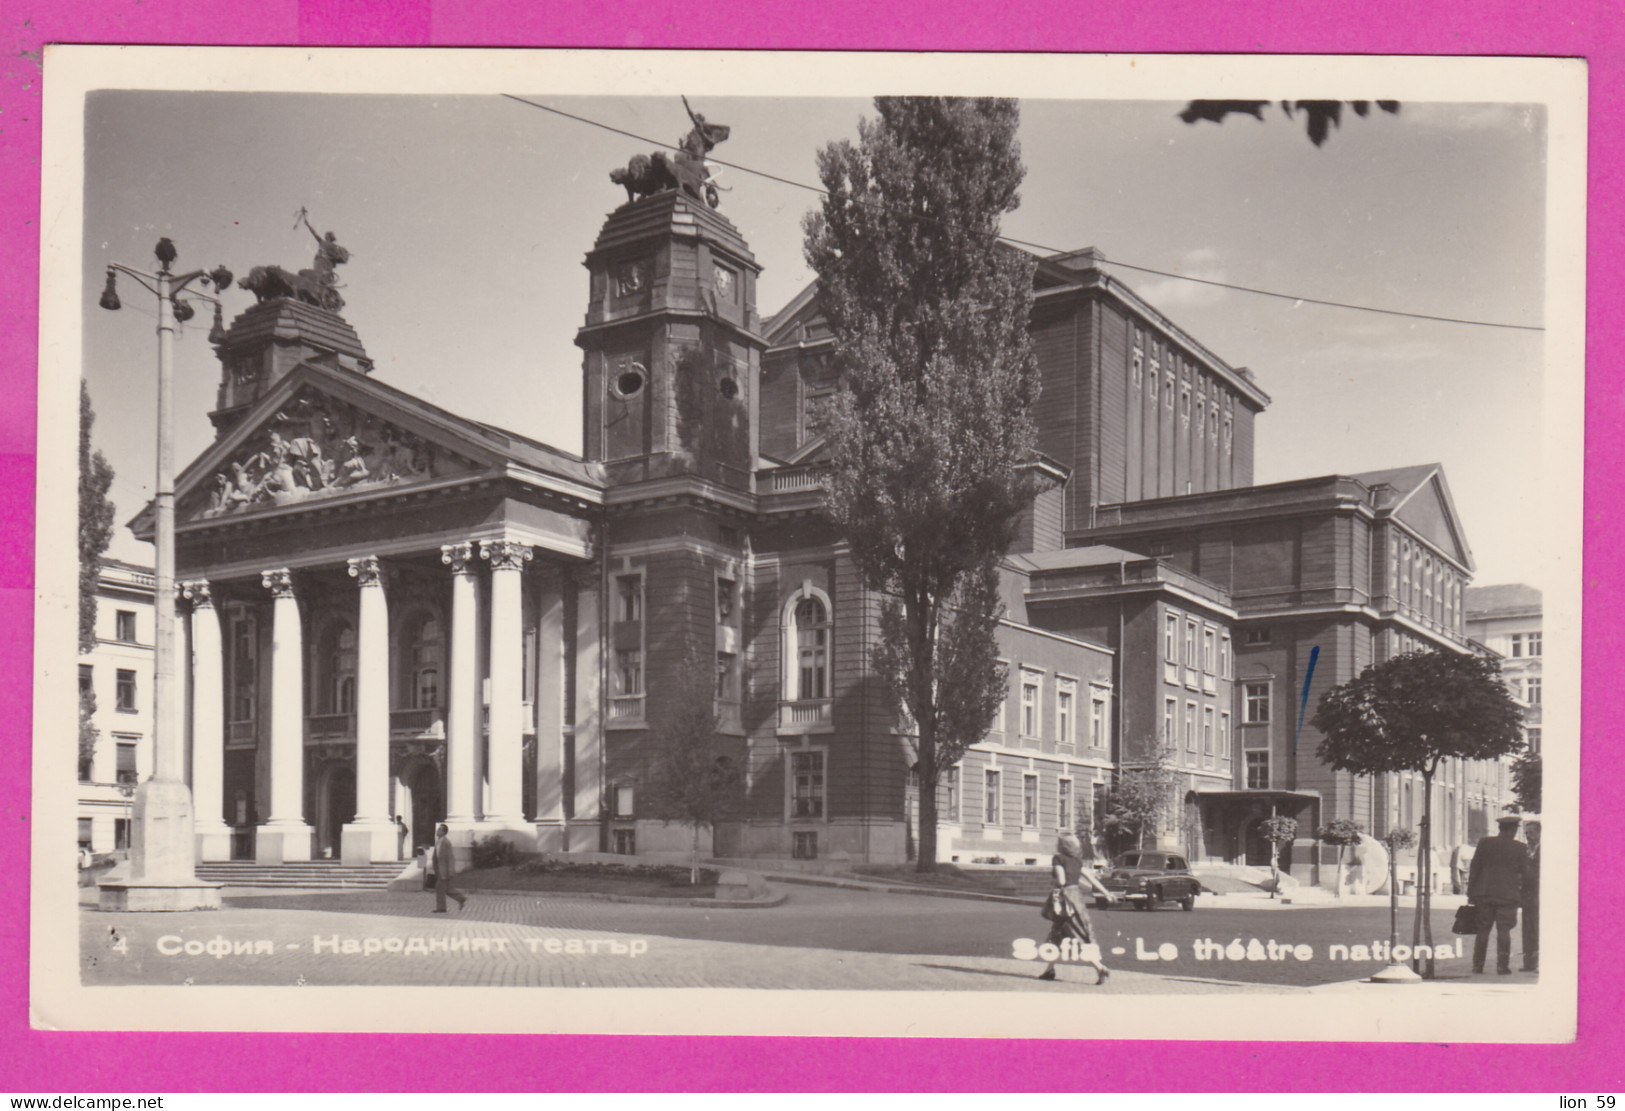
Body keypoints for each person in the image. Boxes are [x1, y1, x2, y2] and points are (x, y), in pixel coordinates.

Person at [1038, 832, 1115, 984]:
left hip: (1064, 899)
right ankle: (1049, 970)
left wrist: (1053, 883)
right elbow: (1092, 879)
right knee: (1057, 934)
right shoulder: (1077, 862)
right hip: (1076, 899)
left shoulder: (1058, 859)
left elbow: (1061, 881)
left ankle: (1100, 968)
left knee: (1075, 936)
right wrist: (1107, 893)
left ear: (1062, 846)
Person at [1468, 814, 1529, 975]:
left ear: (1500, 828)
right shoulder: (1520, 848)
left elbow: (1475, 868)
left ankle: (1477, 965)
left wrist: (1471, 892)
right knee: (1504, 930)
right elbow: (1526, 873)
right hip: (1508, 895)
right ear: (1514, 829)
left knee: (1482, 930)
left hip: (1484, 893)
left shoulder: (1484, 843)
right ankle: (1502, 966)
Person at [431, 823, 468, 913]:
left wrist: (450, 871)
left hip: (444, 871)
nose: (437, 831)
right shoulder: (438, 842)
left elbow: (450, 858)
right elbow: (436, 857)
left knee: (440, 889)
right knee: (447, 889)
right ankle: (461, 899)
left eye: (439, 830)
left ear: (443, 832)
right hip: (439, 870)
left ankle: (441, 908)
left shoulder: (446, 843)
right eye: (437, 830)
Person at [1521, 819, 1540, 973]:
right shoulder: (1524, 850)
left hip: (1540, 896)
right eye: (1526, 833)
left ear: (1540, 833)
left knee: (1538, 929)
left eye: (1532, 833)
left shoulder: (1545, 850)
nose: (1528, 836)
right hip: (1527, 897)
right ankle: (1528, 964)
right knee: (1527, 929)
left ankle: (1539, 963)